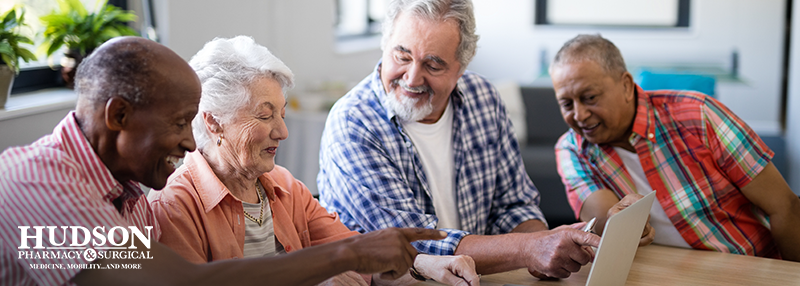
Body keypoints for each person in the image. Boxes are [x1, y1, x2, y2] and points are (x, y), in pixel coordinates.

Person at [0, 36, 452, 286]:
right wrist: (348, 254)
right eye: (180, 123)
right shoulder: (38, 182)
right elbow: (184, 284)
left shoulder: (131, 193)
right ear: (119, 115)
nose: (188, 143)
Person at [148, 35, 479, 286]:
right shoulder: (175, 206)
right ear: (213, 122)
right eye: (264, 116)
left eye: (282, 112)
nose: (282, 131)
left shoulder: (284, 186)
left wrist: (425, 264)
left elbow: (358, 253)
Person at [317, 0, 600, 279]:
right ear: (385, 45)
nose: (412, 78)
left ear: (460, 68)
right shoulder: (353, 122)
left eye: (433, 65)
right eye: (402, 57)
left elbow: (514, 205)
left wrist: (542, 249)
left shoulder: (484, 98)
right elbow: (409, 243)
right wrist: (529, 248)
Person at [550, 34, 800, 261]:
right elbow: (606, 221)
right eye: (566, 104)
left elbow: (785, 207)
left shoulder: (699, 114)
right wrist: (621, 224)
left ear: (626, 85)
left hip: (746, 266)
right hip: (662, 274)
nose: (579, 115)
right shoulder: (572, 149)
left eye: (590, 97)